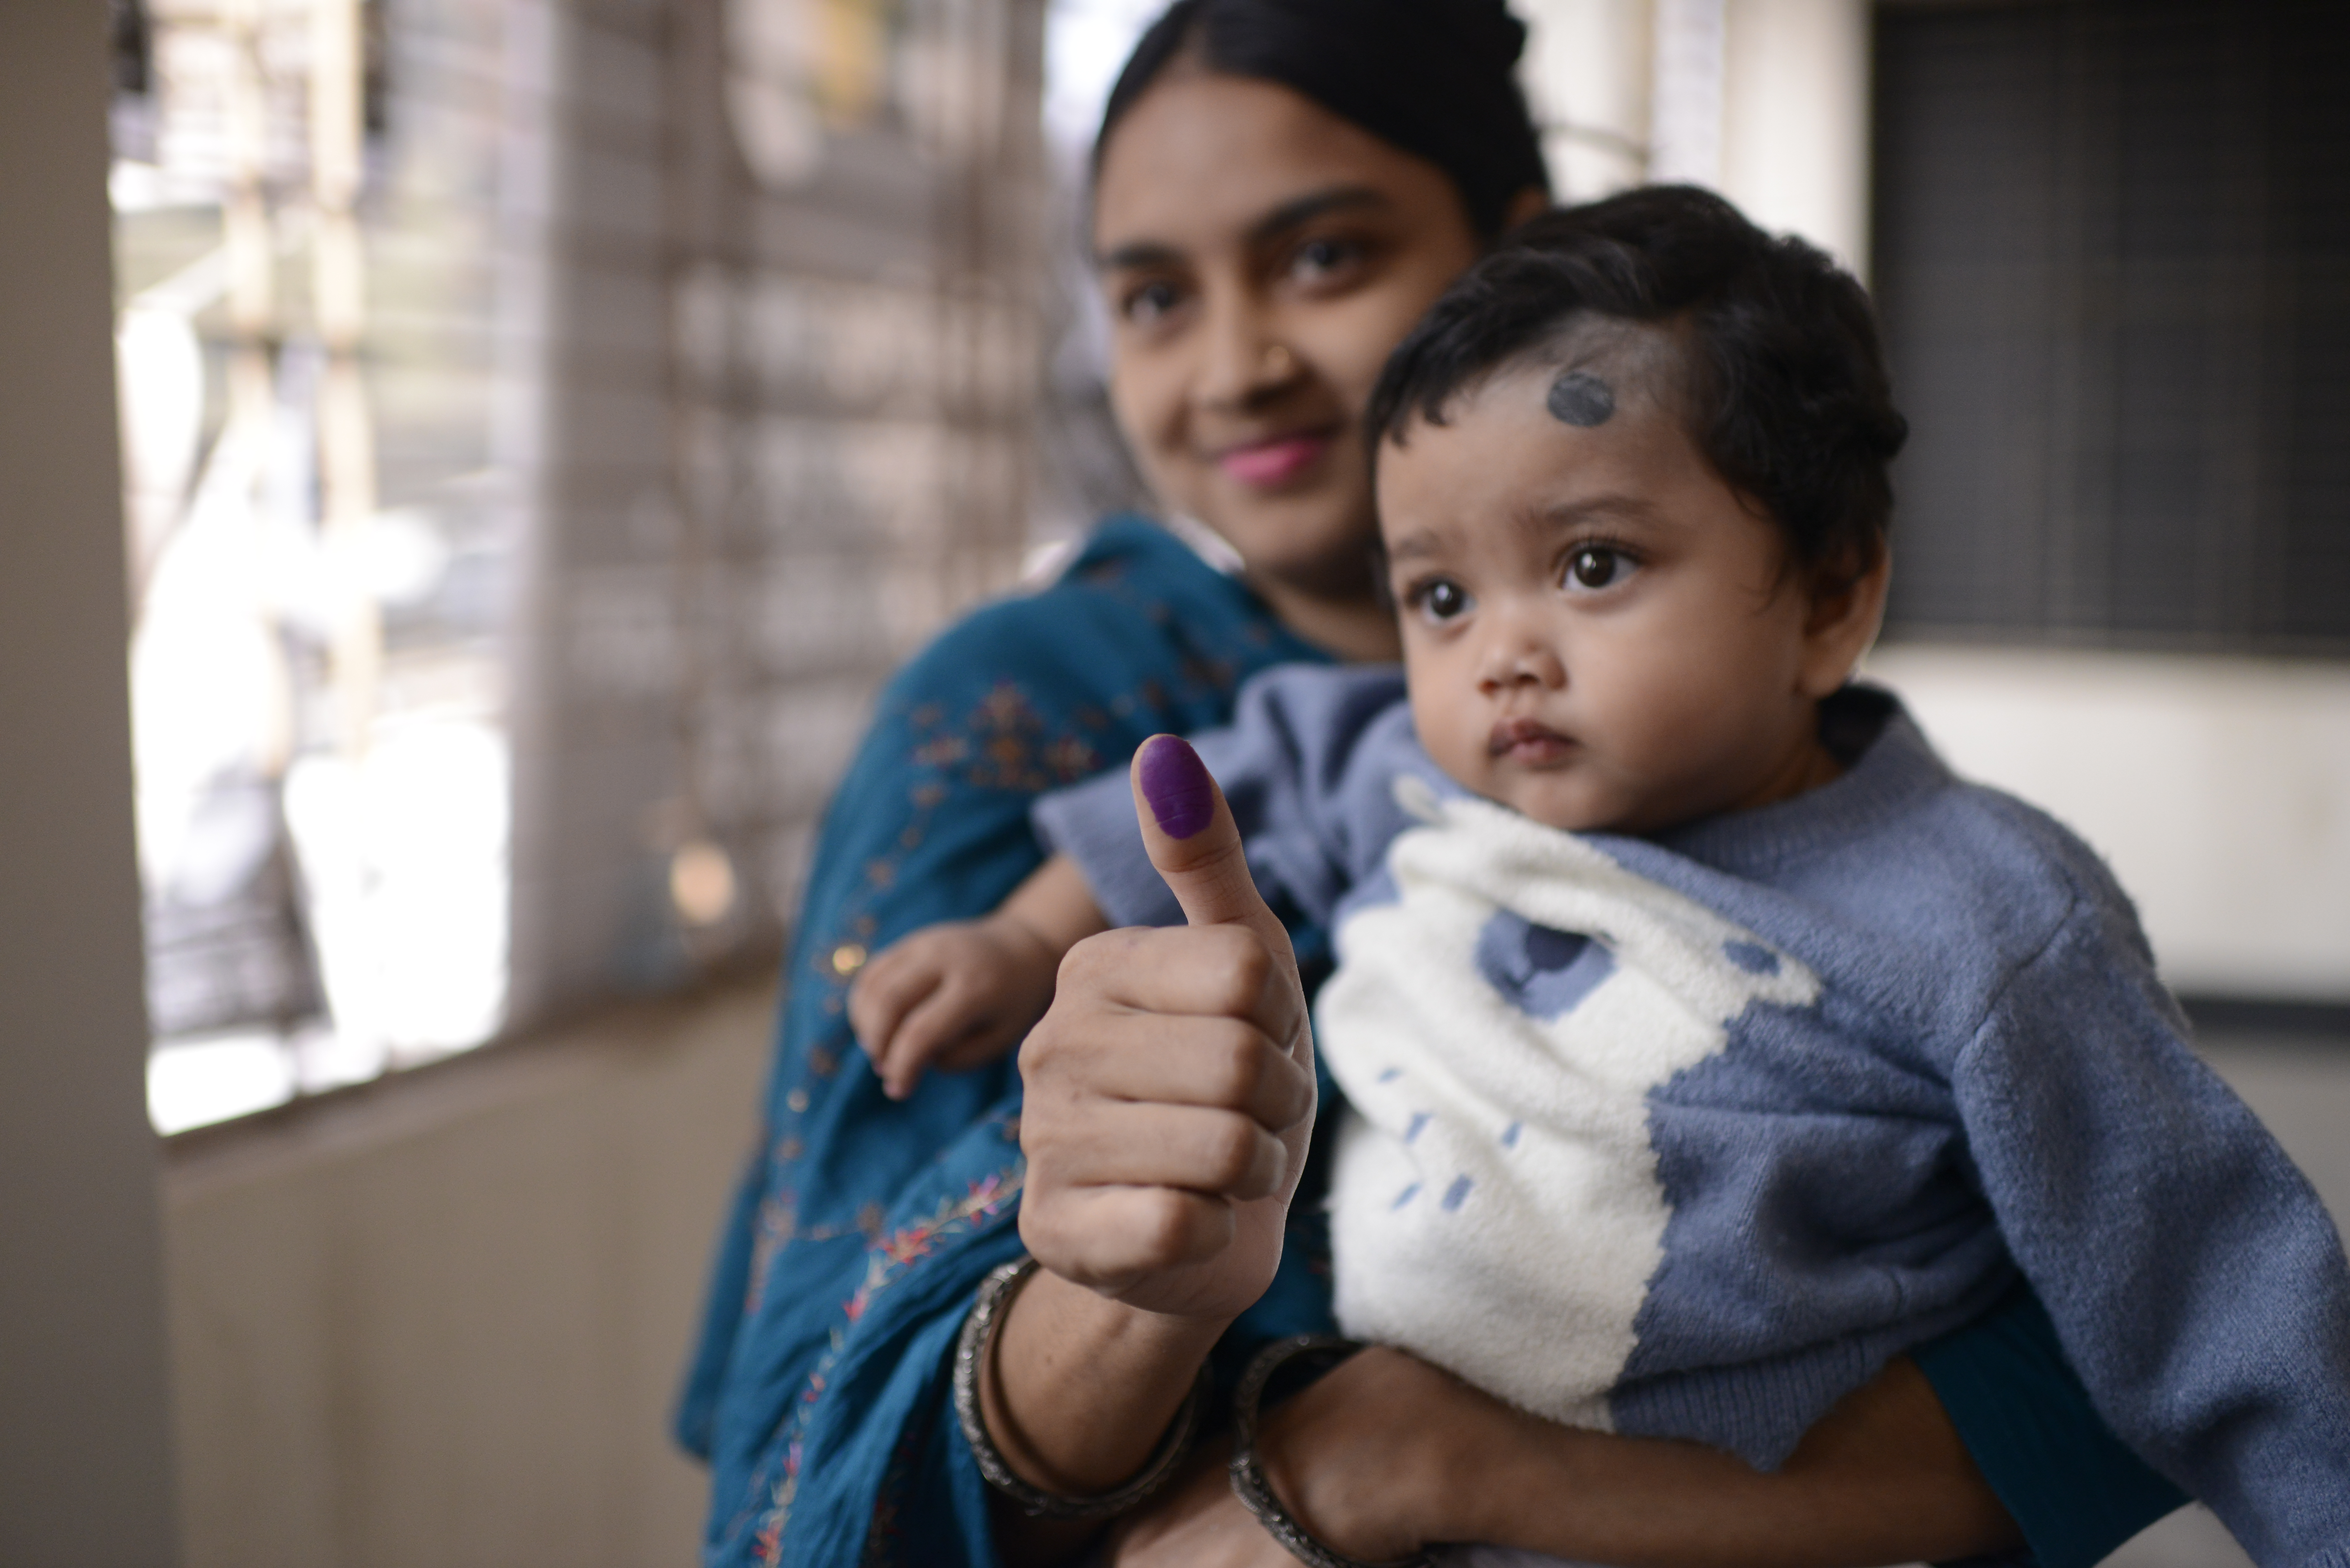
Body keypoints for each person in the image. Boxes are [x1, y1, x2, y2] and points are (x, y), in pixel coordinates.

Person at [678, 4, 2187, 1564]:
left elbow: (2096, 1359)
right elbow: (832, 1404)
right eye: (1149, 296)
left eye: (1322, 256)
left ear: (1501, 260)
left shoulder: (1796, 789)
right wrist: (1131, 1292)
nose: (1235, 365)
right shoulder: (1033, 716)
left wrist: (1439, 1466)